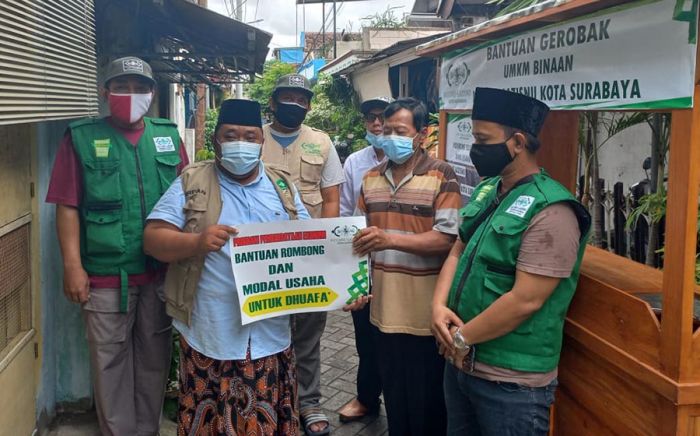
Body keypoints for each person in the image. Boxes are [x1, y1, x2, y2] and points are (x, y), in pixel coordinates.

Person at [431, 88, 591, 436]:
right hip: (462, 366)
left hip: (510, 384)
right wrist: (438, 306)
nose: (476, 148)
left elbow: (527, 299)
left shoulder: (552, 210)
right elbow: (458, 249)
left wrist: (459, 339)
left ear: (517, 142)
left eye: (483, 139)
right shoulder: (491, 189)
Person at [45, 56, 189, 435]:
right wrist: (73, 266)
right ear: (105, 92)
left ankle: (148, 430)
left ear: (153, 93)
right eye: (121, 87)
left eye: (140, 88)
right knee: (109, 364)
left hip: (159, 273)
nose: (131, 95)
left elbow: (190, 197)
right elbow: (67, 206)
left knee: (154, 360)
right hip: (106, 276)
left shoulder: (168, 135)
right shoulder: (81, 137)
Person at [353, 97, 461, 435]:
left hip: (426, 316)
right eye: (386, 131)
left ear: (422, 134)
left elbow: (446, 240)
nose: (390, 137)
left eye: (400, 131)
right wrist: (354, 290)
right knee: (396, 401)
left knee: (429, 404)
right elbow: (356, 245)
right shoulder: (370, 179)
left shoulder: (442, 175)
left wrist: (390, 240)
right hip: (383, 313)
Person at [261, 74, 345, 435]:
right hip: (264, 257)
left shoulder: (321, 142)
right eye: (287, 97)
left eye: (301, 98)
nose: (294, 103)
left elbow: (331, 200)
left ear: (309, 105)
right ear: (274, 102)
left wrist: (326, 253)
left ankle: (309, 402)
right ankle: (269, 399)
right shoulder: (253, 136)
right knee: (264, 329)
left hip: (310, 255)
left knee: (308, 334)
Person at [337, 96, 390, 422]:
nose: (377, 124)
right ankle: (367, 398)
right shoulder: (355, 162)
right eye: (371, 118)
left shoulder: (423, 165)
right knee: (366, 336)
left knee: (399, 339)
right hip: (365, 266)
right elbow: (345, 215)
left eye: (383, 117)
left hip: (403, 266)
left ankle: (402, 401)